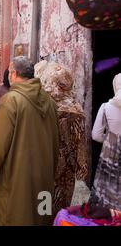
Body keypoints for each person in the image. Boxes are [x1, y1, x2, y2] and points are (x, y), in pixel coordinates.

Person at [0, 56, 59, 226]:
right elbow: (54, 139)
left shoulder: (11, 100)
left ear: (13, 74)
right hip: (44, 171)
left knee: (13, 213)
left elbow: (0, 140)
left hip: (18, 171)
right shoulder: (50, 102)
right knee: (41, 212)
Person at [35, 60, 88, 214]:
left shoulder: (41, 106)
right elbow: (80, 146)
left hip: (43, 165)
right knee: (61, 205)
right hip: (66, 170)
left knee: (42, 206)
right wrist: (81, 172)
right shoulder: (75, 108)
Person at [89, 73, 121, 210]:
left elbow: (95, 135)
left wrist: (109, 140)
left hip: (110, 154)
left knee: (107, 193)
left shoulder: (106, 107)